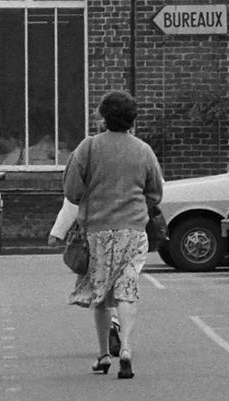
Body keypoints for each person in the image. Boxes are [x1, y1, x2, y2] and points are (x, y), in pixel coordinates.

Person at [57, 91, 165, 380]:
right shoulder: (143, 150)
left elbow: (72, 190)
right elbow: (155, 192)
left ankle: (104, 354)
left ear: (103, 117)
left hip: (98, 231)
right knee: (127, 288)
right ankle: (127, 348)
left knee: (101, 294)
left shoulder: (88, 148)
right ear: (132, 119)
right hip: (133, 230)